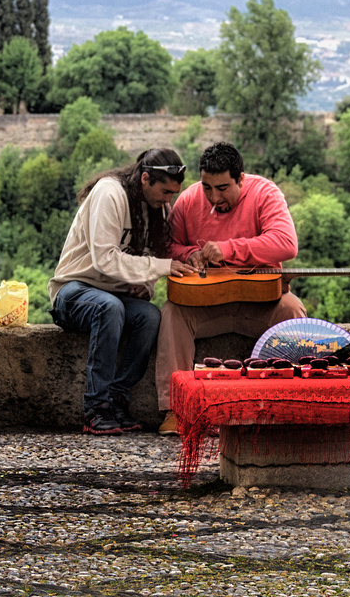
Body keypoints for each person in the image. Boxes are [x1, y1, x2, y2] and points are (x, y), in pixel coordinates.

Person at [154, 142, 306, 435]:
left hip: (259, 302)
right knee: (172, 312)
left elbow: (286, 244)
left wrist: (228, 249)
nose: (213, 197)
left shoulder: (265, 193)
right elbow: (165, 247)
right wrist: (188, 254)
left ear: (241, 179)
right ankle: (176, 410)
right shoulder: (188, 201)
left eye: (223, 188)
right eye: (207, 187)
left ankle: (292, 403)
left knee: (292, 308)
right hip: (208, 303)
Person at [49, 148, 192, 434]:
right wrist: (163, 267)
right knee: (108, 307)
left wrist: (145, 285)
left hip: (114, 294)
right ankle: (96, 408)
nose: (169, 200)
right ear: (145, 179)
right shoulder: (109, 193)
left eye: (173, 194)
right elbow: (105, 259)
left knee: (150, 317)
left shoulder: (156, 208)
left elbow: (147, 259)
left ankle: (117, 398)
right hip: (73, 291)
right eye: (165, 191)